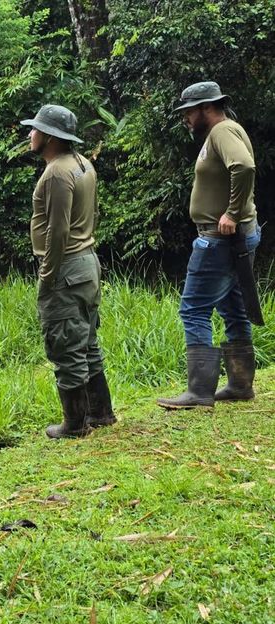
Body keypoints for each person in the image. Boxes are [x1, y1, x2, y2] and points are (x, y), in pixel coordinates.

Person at [157, 81, 261, 409]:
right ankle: (240, 384)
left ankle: (199, 391)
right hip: (235, 236)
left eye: (188, 111)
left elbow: (244, 166)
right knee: (233, 306)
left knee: (193, 308)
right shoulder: (223, 131)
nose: (185, 118)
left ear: (206, 108)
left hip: (220, 239)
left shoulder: (221, 131)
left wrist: (232, 212)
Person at [21, 104, 116, 438]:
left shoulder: (57, 173)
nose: (30, 134)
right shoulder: (83, 164)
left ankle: (75, 424)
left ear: (48, 136)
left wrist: (47, 276)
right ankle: (101, 413)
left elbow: (57, 231)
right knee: (87, 340)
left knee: (64, 343)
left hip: (66, 265)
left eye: (34, 129)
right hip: (87, 262)